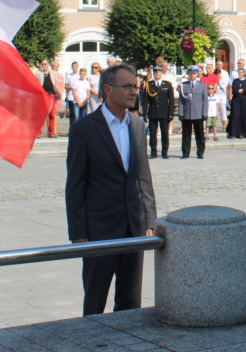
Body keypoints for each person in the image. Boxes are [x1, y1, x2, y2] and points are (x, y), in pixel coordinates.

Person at [65, 63, 156, 315]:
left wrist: (150, 219)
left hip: (132, 227)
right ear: (108, 89)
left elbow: (143, 176)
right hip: (99, 229)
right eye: (127, 86)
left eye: (135, 87)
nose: (133, 92)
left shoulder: (137, 125)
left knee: (130, 301)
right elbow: (75, 185)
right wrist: (78, 232)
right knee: (95, 300)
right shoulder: (83, 129)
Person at [142, 65, 174, 159]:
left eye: (158, 72)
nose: (157, 74)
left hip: (164, 112)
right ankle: (153, 152)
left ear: (161, 73)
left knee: (164, 133)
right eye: (155, 73)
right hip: (153, 112)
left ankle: (165, 152)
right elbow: (145, 100)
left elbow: (171, 100)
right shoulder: (149, 84)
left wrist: (171, 112)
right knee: (152, 134)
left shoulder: (167, 84)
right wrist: (144, 112)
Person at [177, 66, 209, 159]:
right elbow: (181, 100)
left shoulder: (202, 85)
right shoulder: (184, 85)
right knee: (186, 135)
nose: (192, 75)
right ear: (188, 74)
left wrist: (205, 113)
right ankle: (185, 153)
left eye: (194, 73)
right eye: (190, 73)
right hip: (187, 113)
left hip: (198, 113)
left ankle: (200, 153)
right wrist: (180, 113)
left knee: (200, 135)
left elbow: (205, 100)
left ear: (197, 74)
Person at [227, 70, 246, 138]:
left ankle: (242, 133)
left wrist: (241, 90)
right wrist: (240, 90)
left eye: (241, 73)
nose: (239, 74)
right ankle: (234, 132)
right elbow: (234, 89)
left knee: (243, 116)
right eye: (239, 73)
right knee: (236, 116)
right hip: (236, 100)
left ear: (244, 74)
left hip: (244, 101)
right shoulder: (235, 81)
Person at [35, 59, 60, 138]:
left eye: (45, 64)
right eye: (42, 64)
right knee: (41, 114)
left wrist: (57, 94)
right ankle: (38, 132)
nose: (43, 65)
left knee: (51, 113)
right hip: (42, 95)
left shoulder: (54, 73)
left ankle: (51, 132)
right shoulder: (38, 73)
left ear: (48, 65)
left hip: (51, 94)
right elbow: (36, 84)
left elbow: (55, 84)